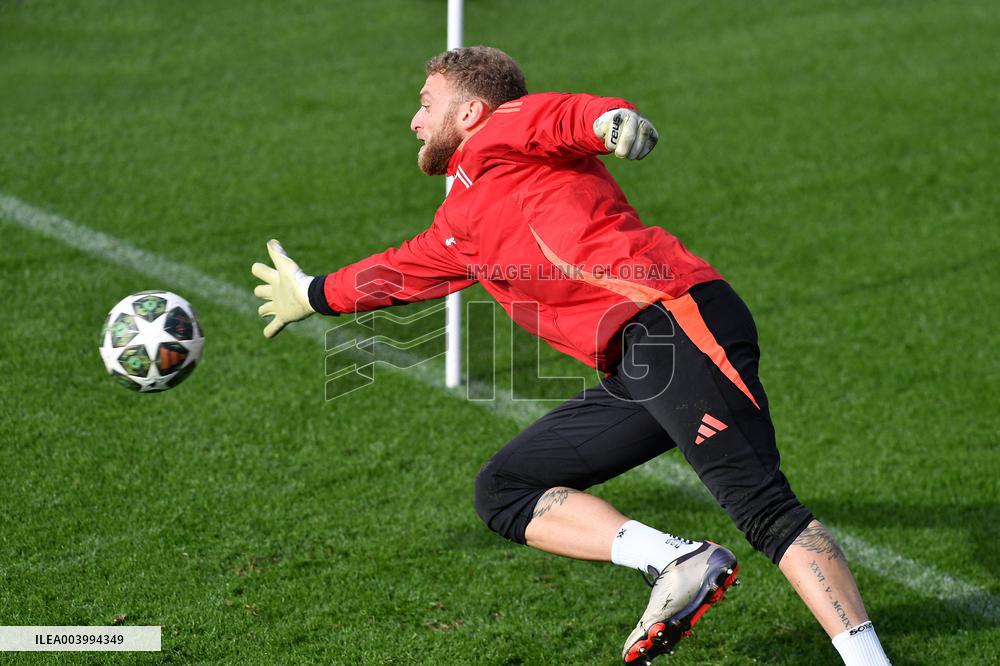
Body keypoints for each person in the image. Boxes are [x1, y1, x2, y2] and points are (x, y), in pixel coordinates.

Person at [251, 46, 892, 665]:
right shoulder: (460, 219)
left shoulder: (504, 130)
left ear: (470, 112)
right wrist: (311, 294)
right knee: (504, 490)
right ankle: (672, 559)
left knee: (763, 508)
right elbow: (400, 270)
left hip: (674, 317)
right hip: (636, 362)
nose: (414, 120)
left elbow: (560, 118)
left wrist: (607, 121)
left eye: (426, 103)